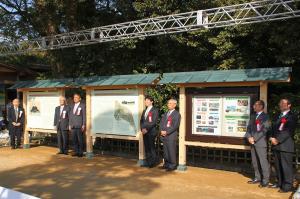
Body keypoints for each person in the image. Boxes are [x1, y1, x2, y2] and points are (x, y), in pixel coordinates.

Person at [270, 98, 297, 192]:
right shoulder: (277, 115)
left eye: (283, 103)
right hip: (276, 145)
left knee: (286, 167)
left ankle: (287, 186)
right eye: (280, 103)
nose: (280, 104)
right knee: (278, 166)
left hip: (286, 145)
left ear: (289, 105)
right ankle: (280, 183)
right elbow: (272, 128)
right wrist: (271, 137)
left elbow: (288, 131)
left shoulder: (292, 116)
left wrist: (277, 140)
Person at [245, 100, 270, 187]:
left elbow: (265, 129)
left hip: (260, 143)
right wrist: (249, 137)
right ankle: (257, 177)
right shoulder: (253, 116)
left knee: (263, 162)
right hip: (252, 142)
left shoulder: (266, 117)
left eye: (255, 105)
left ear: (261, 106)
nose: (253, 106)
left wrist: (254, 138)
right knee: (255, 162)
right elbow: (248, 128)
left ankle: (265, 180)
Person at [160, 99, 181, 171]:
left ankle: (172, 165)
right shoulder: (166, 113)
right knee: (165, 151)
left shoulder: (177, 114)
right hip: (164, 135)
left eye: (170, 103)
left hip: (171, 135)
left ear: (175, 105)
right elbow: (161, 123)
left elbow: (175, 126)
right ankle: (166, 164)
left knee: (171, 150)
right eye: (168, 103)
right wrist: (161, 131)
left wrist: (167, 132)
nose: (168, 105)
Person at [140, 96, 159, 168]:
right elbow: (141, 121)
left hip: (151, 131)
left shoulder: (155, 110)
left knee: (151, 147)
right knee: (147, 147)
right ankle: (148, 162)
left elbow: (153, 122)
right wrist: (142, 128)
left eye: (148, 101)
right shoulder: (144, 110)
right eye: (145, 101)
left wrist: (146, 129)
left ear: (152, 102)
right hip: (144, 131)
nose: (146, 102)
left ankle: (153, 162)